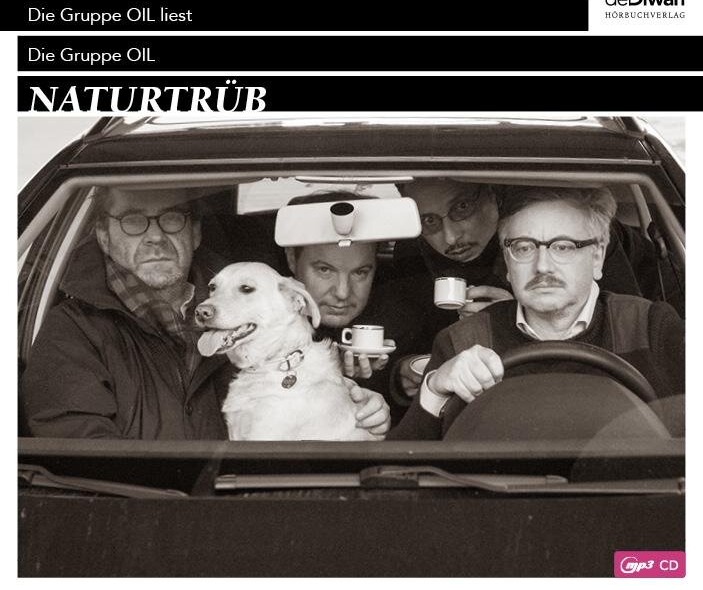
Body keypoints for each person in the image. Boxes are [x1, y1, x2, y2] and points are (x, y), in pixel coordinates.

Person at [21, 187, 390, 440]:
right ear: (103, 235)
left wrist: (361, 407)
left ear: (195, 232)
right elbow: (83, 459)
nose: (155, 237)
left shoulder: (259, 329)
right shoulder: (70, 333)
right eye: (133, 220)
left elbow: (300, 397)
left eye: (171, 218)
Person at [388, 186, 684, 440]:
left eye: (563, 247)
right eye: (523, 248)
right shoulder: (462, 341)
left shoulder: (651, 328)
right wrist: (434, 390)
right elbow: (403, 469)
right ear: (507, 262)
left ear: (597, 255)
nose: (542, 266)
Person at [284, 191, 428, 423]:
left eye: (360, 273)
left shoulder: (401, 319)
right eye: (324, 270)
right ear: (292, 259)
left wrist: (399, 381)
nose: (343, 292)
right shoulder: (262, 327)